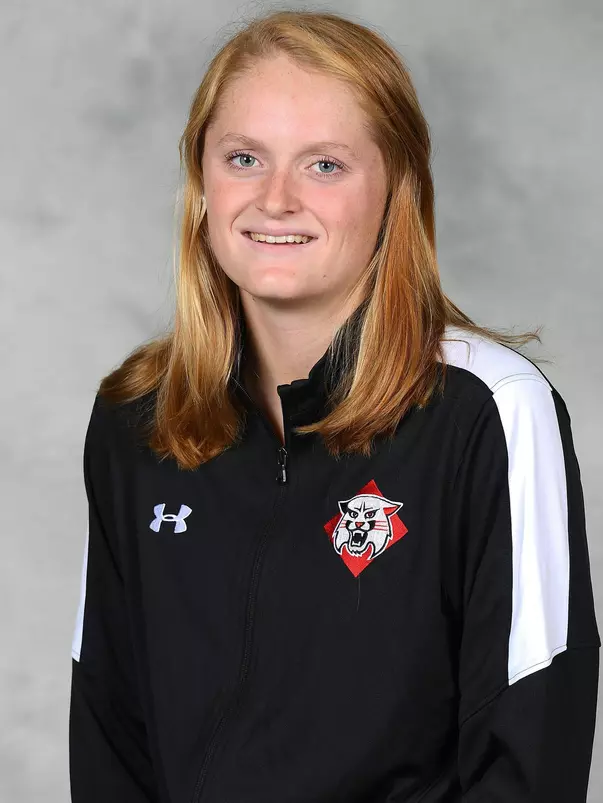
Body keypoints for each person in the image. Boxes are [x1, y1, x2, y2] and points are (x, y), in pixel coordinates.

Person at [68, 9, 600, 803]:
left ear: (396, 187)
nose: (275, 199)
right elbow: (111, 733)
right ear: (202, 185)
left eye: (324, 165)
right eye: (244, 157)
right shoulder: (138, 418)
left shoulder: (490, 412)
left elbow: (528, 749)